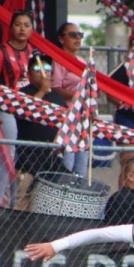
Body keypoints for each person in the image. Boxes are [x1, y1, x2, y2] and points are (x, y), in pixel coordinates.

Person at [0, 11, 36, 206]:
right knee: (8, 155)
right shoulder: (0, 51)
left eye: (26, 25)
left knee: (23, 155)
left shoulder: (34, 52)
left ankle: (16, 203)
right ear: (11, 27)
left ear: (32, 30)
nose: (22, 28)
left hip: (30, 107)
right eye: (18, 24)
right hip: (6, 106)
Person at [13, 53, 68, 210]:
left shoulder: (57, 97)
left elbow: (64, 123)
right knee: (22, 199)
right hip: (26, 159)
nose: (43, 72)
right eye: (38, 69)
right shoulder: (22, 93)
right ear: (29, 74)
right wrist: (42, 91)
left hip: (50, 159)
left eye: (47, 68)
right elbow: (25, 113)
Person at [51, 22, 89, 177]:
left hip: (82, 118)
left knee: (82, 165)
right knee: (68, 163)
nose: (78, 38)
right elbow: (55, 89)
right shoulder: (59, 60)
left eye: (80, 35)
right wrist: (78, 95)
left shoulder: (83, 62)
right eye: (73, 35)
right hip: (66, 117)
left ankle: (79, 190)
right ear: (61, 39)